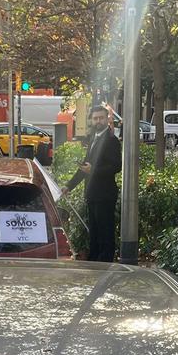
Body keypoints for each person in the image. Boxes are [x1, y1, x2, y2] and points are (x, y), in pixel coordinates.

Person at [64, 105, 122, 262]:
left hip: (105, 195)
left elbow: (116, 166)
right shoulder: (93, 138)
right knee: (94, 233)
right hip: (92, 194)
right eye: (95, 118)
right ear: (91, 120)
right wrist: (68, 186)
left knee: (105, 233)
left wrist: (93, 170)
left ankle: (105, 264)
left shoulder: (112, 140)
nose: (98, 121)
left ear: (107, 119)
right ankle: (94, 262)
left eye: (101, 118)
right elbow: (85, 167)